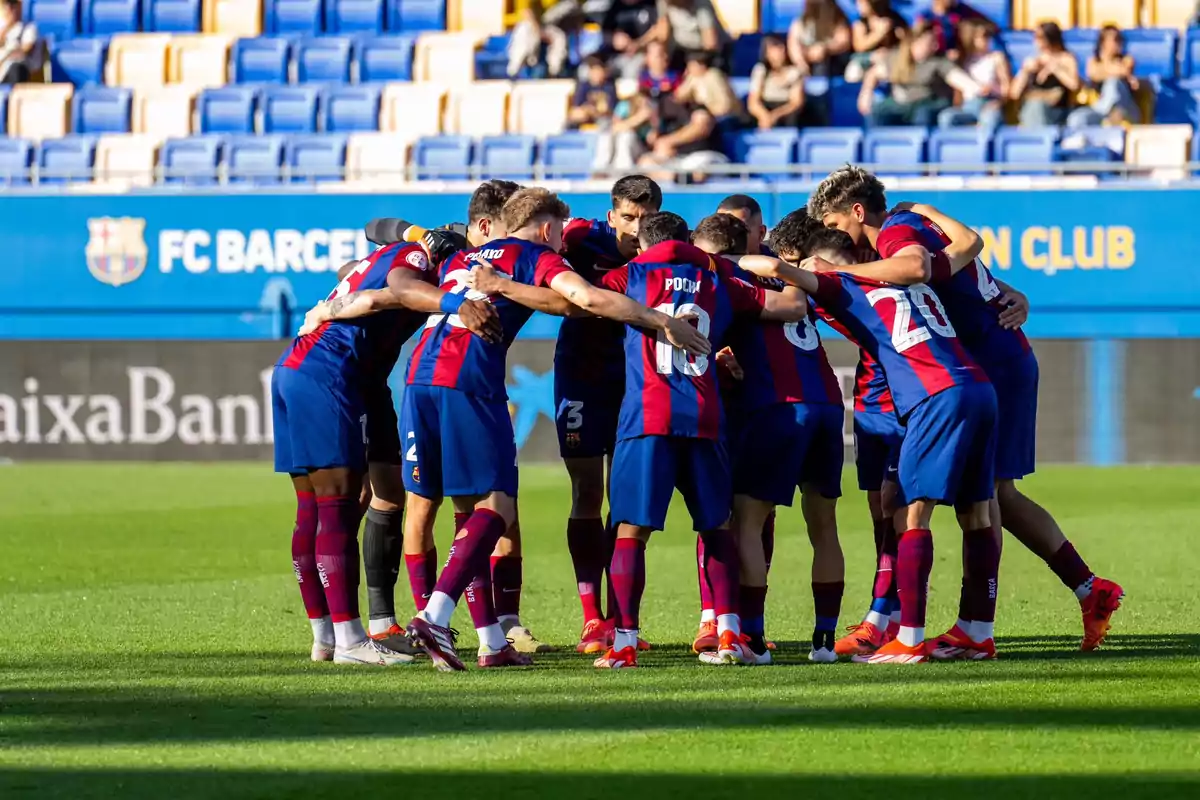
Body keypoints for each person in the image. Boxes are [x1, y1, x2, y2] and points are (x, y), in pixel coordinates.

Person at [314, 189, 708, 671]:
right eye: (558, 233)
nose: (563, 243)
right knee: (497, 506)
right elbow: (582, 298)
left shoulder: (464, 256)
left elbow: (372, 280)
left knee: (466, 514)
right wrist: (661, 322)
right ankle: (435, 614)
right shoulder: (533, 254)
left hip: (419, 378)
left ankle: (489, 642)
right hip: (468, 382)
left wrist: (327, 309)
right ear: (546, 229)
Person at [806, 165, 1124, 655]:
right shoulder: (911, 226)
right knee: (995, 494)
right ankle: (1079, 591)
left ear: (856, 211)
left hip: (988, 364)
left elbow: (916, 268)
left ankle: (975, 626)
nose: (833, 236)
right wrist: (1011, 294)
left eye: (832, 224)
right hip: (995, 357)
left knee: (982, 497)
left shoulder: (896, 232)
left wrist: (837, 272)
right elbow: (967, 263)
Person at [736, 222, 999, 666]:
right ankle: (977, 631)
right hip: (978, 387)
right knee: (976, 511)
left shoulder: (841, 283)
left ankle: (909, 639)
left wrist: (733, 261)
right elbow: (968, 248)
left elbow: (772, 266)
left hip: (934, 394)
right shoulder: (913, 278)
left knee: (910, 513)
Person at [591, 211, 810, 669]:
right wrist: (796, 271)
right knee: (718, 527)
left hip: (648, 416)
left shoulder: (628, 273)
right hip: (705, 415)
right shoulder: (719, 277)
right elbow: (790, 307)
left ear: (641, 243)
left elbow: (577, 299)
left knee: (631, 529)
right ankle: (729, 633)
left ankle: (625, 641)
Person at [275, 225, 499, 668]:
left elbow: (361, 274)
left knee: (342, 501)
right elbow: (389, 291)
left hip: (318, 370)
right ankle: (349, 640)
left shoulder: (390, 255)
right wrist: (457, 302)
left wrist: (330, 305)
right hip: (332, 373)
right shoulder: (416, 262)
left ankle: (331, 634)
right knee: (336, 506)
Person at [691, 213, 846, 664]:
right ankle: (824, 641)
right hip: (827, 405)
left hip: (778, 408)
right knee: (824, 528)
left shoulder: (729, 283)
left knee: (746, 523)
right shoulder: (788, 277)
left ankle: (753, 641)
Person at [547, 176, 663, 654]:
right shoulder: (578, 237)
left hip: (637, 380)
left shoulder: (665, 248)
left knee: (626, 495)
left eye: (645, 217)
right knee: (587, 491)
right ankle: (592, 617)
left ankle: (621, 617)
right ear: (611, 214)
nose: (637, 227)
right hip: (579, 374)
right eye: (629, 217)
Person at [638, 50, 738, 183]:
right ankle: (678, 179)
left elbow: (701, 127)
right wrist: (656, 138)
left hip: (704, 155)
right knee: (645, 162)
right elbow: (657, 138)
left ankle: (684, 179)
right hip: (679, 160)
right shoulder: (665, 107)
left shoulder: (699, 106)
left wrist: (668, 141)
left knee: (700, 170)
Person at [860, 19, 980, 128]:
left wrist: (977, 88)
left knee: (923, 114)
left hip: (928, 103)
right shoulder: (896, 58)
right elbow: (873, 74)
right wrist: (865, 94)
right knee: (878, 112)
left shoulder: (938, 62)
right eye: (931, 42)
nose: (936, 46)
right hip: (901, 104)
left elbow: (957, 78)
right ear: (915, 42)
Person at [592, 40, 679, 173]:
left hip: (641, 152)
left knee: (627, 137)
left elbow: (653, 138)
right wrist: (639, 118)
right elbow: (615, 127)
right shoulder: (625, 105)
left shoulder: (655, 106)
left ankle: (623, 176)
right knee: (608, 135)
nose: (644, 96)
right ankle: (599, 172)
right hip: (619, 146)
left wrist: (650, 121)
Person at [936, 19, 1008, 131]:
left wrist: (999, 101)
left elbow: (1006, 86)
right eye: (983, 37)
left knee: (991, 119)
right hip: (968, 105)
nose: (987, 40)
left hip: (988, 103)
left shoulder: (996, 57)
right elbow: (959, 89)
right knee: (947, 117)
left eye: (988, 36)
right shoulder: (963, 59)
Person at [1066, 25, 1141, 128]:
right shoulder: (1093, 60)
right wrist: (1112, 67)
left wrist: (1105, 69)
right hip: (1099, 108)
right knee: (1076, 119)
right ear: (1103, 43)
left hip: (1124, 108)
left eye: (1119, 40)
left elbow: (1123, 71)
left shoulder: (1127, 59)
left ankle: (1109, 112)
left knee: (1113, 83)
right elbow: (1093, 74)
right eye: (1114, 40)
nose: (1118, 44)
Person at [1010, 21, 1079, 128]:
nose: (1036, 41)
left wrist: (1055, 68)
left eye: (1039, 37)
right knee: (1034, 106)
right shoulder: (1032, 61)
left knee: (1038, 107)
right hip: (1032, 107)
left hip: (1056, 111)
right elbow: (1014, 93)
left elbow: (1074, 85)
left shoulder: (1066, 58)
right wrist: (1025, 71)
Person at [748, 34, 806, 131]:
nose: (781, 50)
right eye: (775, 47)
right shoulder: (760, 70)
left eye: (782, 46)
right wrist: (764, 116)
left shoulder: (795, 72)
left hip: (786, 111)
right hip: (766, 107)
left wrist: (775, 115)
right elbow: (753, 102)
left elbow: (796, 102)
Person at [787, 0, 852, 78]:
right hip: (807, 63)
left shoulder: (836, 18)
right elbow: (793, 45)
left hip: (833, 62)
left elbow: (844, 42)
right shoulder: (800, 22)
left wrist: (825, 48)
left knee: (822, 63)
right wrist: (802, 63)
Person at [653, 0, 730, 65]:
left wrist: (694, 63)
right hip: (680, 50)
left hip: (705, 52)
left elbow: (710, 43)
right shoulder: (664, 2)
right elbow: (663, 33)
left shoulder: (702, 6)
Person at [847, 0, 907, 82]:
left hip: (889, 57)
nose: (858, 7)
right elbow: (859, 46)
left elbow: (905, 41)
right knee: (853, 73)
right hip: (866, 58)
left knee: (883, 70)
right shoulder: (860, 23)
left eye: (862, 3)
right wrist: (878, 34)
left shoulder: (894, 19)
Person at [506, 0, 568, 78]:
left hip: (542, 25)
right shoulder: (524, 27)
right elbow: (526, 13)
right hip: (526, 25)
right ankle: (514, 74)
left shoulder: (549, 26)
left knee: (559, 38)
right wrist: (538, 30)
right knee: (525, 37)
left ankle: (554, 73)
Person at [600, 0, 659, 79]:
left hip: (642, 54)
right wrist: (614, 39)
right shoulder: (616, 6)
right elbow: (604, 33)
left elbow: (658, 31)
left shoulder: (650, 5)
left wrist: (638, 44)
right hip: (617, 56)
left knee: (630, 73)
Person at [920, 0, 988, 60]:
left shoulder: (961, 11)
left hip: (960, 58)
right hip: (934, 59)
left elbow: (989, 24)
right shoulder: (925, 17)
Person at [569, 55, 618, 130]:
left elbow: (609, 109)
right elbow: (577, 106)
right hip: (585, 115)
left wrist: (594, 111)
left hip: (603, 117)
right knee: (571, 121)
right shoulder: (583, 86)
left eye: (599, 71)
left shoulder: (609, 87)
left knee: (605, 124)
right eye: (594, 71)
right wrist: (587, 110)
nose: (596, 74)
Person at [0, 1, 41, 84]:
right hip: (2, 65)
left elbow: (26, 49)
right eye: (7, 6)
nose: (10, 9)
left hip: (16, 66)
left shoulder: (29, 28)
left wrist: (7, 56)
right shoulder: (2, 28)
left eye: (13, 5)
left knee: (16, 67)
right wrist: (7, 27)